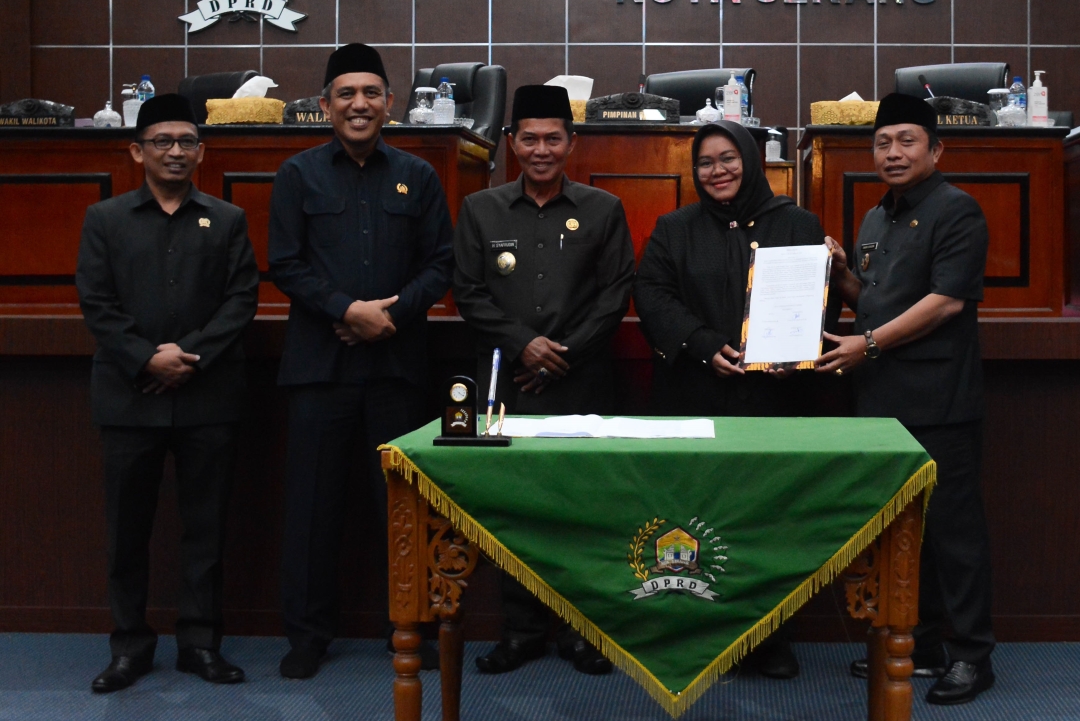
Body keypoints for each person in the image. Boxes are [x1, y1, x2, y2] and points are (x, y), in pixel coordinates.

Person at [268, 43, 454, 680]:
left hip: (397, 369)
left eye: (371, 93)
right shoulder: (298, 175)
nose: (359, 104)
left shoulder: (419, 175)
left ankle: (407, 624)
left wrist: (390, 317)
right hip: (320, 368)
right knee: (312, 508)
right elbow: (285, 264)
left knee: (400, 508)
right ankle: (307, 636)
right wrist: (347, 311)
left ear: (389, 103)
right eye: (346, 93)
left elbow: (440, 265)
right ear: (325, 105)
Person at [634, 120, 839, 679]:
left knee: (768, 519)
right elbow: (650, 293)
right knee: (691, 520)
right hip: (693, 396)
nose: (717, 171)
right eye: (705, 162)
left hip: (773, 400)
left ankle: (770, 640)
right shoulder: (674, 227)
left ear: (751, 160)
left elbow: (820, 311)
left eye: (729, 159)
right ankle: (693, 637)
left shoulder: (797, 223)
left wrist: (804, 323)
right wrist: (701, 345)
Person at [815, 93, 995, 705]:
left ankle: (973, 655)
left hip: (939, 399)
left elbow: (945, 302)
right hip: (882, 397)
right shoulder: (875, 217)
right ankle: (922, 645)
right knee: (901, 531)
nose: (892, 153)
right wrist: (839, 273)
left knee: (954, 534)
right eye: (883, 143)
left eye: (906, 142)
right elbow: (874, 297)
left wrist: (865, 343)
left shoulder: (958, 211)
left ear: (936, 149)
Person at [76, 94, 259, 692]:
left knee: (206, 530)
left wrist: (189, 358)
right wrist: (146, 356)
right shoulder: (105, 220)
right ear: (137, 152)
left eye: (186, 142)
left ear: (202, 153)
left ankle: (200, 645)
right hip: (130, 398)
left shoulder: (227, 219)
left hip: (207, 396)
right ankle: (129, 647)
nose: (175, 151)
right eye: (162, 142)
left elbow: (241, 300)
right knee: (127, 532)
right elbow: (97, 304)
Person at [452, 84, 635, 675]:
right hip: (505, 382)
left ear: (571, 143)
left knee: (585, 508)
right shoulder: (481, 209)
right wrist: (524, 344)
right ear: (510, 143)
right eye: (528, 137)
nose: (540, 149)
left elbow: (614, 296)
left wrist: (564, 353)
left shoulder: (603, 209)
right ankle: (522, 631)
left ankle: (582, 630)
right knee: (514, 507)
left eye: (553, 138)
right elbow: (469, 293)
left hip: (580, 382)